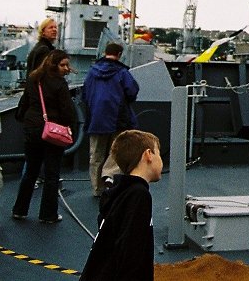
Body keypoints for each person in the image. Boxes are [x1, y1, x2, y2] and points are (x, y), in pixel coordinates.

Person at [80, 129, 162, 281]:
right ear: (148, 155)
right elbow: (131, 250)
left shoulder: (119, 192)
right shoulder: (138, 195)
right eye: (159, 153)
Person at [11, 49, 76, 223]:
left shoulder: (34, 79)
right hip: (52, 133)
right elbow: (68, 111)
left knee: (30, 171)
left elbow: (24, 103)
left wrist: (26, 119)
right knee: (52, 174)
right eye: (63, 65)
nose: (66, 68)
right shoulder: (60, 84)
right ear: (54, 65)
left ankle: (19, 210)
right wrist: (69, 125)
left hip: (32, 130)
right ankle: (48, 214)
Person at [83, 42, 139, 197]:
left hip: (96, 118)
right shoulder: (122, 72)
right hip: (118, 118)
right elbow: (132, 91)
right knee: (117, 150)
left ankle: (96, 188)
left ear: (104, 52)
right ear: (120, 54)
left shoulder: (91, 72)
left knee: (96, 154)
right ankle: (109, 177)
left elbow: (85, 94)